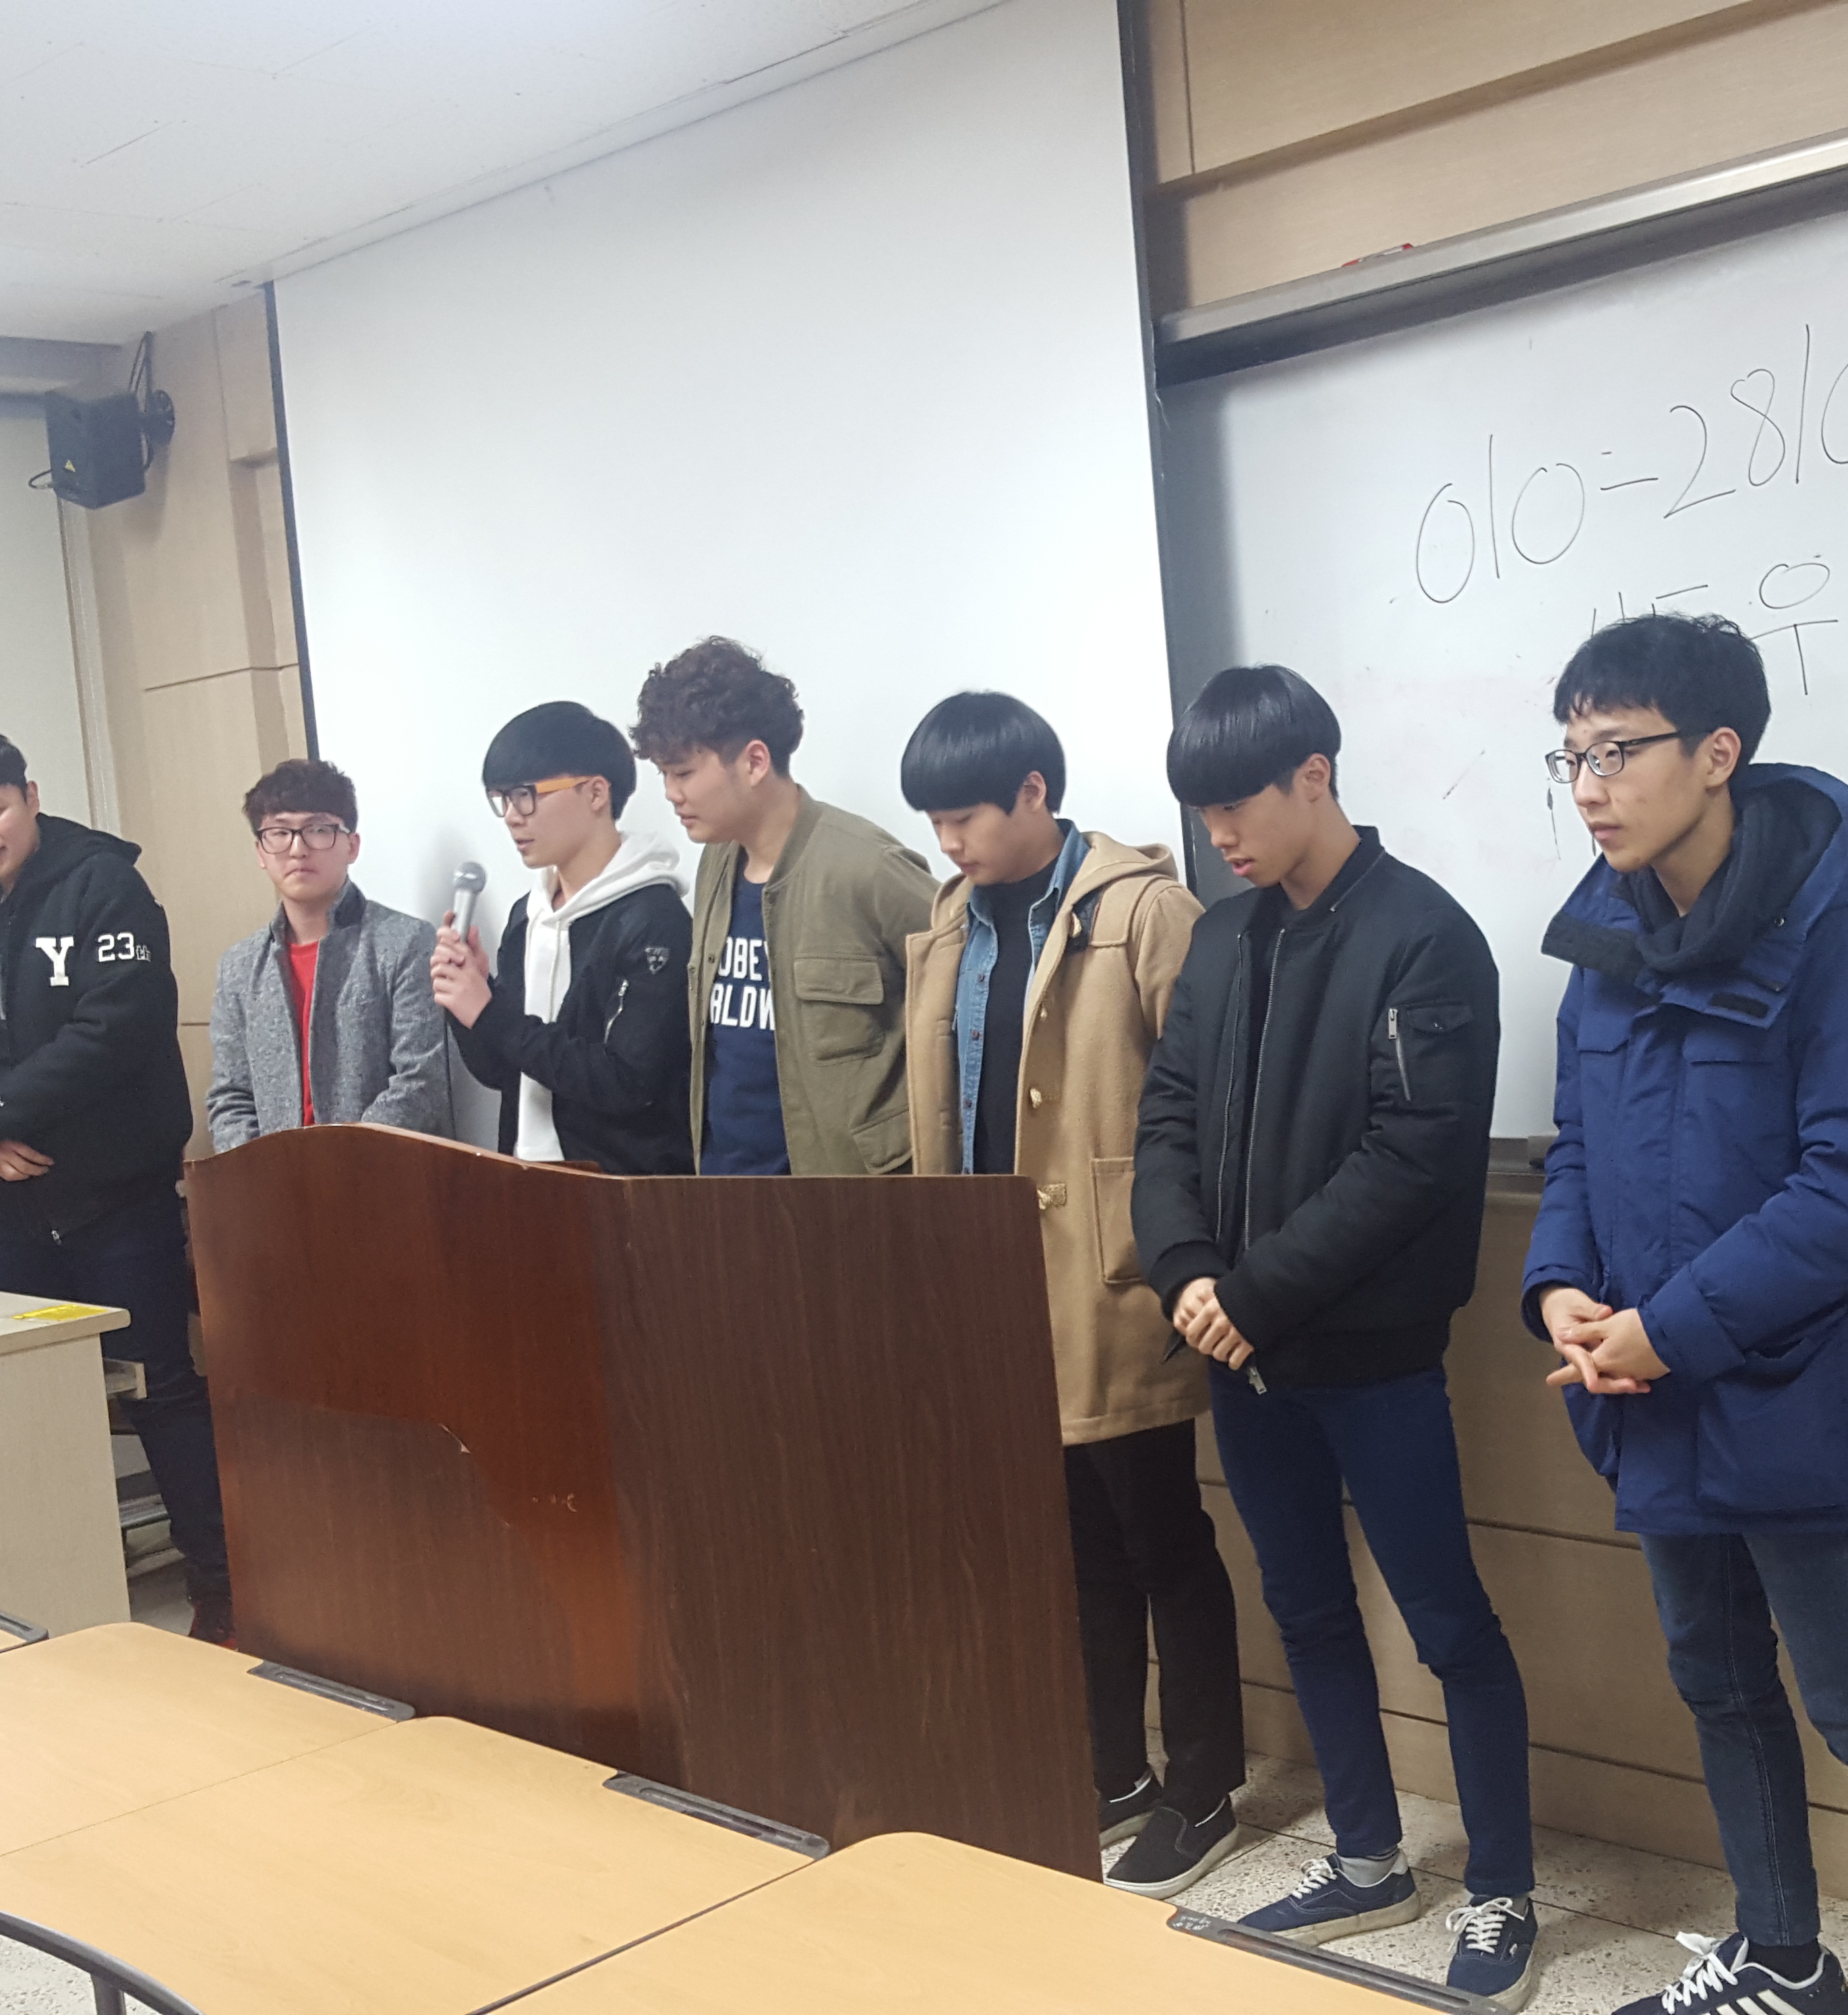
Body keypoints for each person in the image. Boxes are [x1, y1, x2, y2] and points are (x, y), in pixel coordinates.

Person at [1521, 616, 1848, 2015]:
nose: (1590, 785)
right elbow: (1575, 1150)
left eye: (1618, 750)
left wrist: (1671, 1326)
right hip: (1648, 1396)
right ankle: (1782, 1959)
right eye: (1571, 756)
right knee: (1717, 1683)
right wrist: (1558, 1287)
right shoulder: (1603, 947)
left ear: (1719, 752)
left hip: (1796, 1395)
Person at [1131, 665, 1538, 2011]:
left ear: (1314, 775)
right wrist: (1190, 1270)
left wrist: (1251, 1294)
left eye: (1237, 806)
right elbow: (1165, 1119)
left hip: (1371, 1358)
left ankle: (1501, 1888)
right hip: (1242, 1355)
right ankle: (1367, 1859)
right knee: (1304, 1611)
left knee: (1447, 1623)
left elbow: (1411, 1159)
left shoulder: (1424, 936)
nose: (1219, 838)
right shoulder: (1223, 939)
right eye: (1201, 814)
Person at [892, 691, 1244, 1900]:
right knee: (1074, 1545)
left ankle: (1204, 1786)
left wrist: (1179, 1250)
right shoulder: (952, 917)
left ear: (1035, 793)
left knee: (1161, 1535)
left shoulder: (1144, 910)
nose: (950, 843)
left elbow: (1205, 1104)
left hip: (1115, 1277)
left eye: (966, 818)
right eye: (936, 824)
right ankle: (1112, 1769)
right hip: (993, 1283)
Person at [0, 730, 233, 1644]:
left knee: (161, 1391)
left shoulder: (105, 886)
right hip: (6, 1209)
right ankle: (56, 1597)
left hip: (115, 1203)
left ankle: (223, 1589)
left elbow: (114, 1027)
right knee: (28, 1406)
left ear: (31, 797)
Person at [630, 637, 934, 1175]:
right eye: (664, 775)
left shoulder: (866, 867)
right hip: (726, 1186)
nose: (671, 793)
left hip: (846, 1196)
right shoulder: (716, 861)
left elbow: (968, 996)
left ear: (754, 762)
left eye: (683, 773)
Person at [432, 703, 695, 1173]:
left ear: (595, 793)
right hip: (526, 1174)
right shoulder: (527, 914)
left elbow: (627, 1083)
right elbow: (501, 1072)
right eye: (501, 799)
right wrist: (469, 998)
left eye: (526, 795)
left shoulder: (654, 920)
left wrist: (491, 1014)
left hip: (618, 1185)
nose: (511, 816)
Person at [206, 758, 450, 1150]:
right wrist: (260, 1170)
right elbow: (230, 1096)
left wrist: (333, 1165)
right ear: (260, 852)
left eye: (319, 830)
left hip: (384, 1173)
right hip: (274, 1180)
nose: (298, 849)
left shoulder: (406, 942)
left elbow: (421, 1082)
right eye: (279, 833)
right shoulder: (239, 967)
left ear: (352, 845)